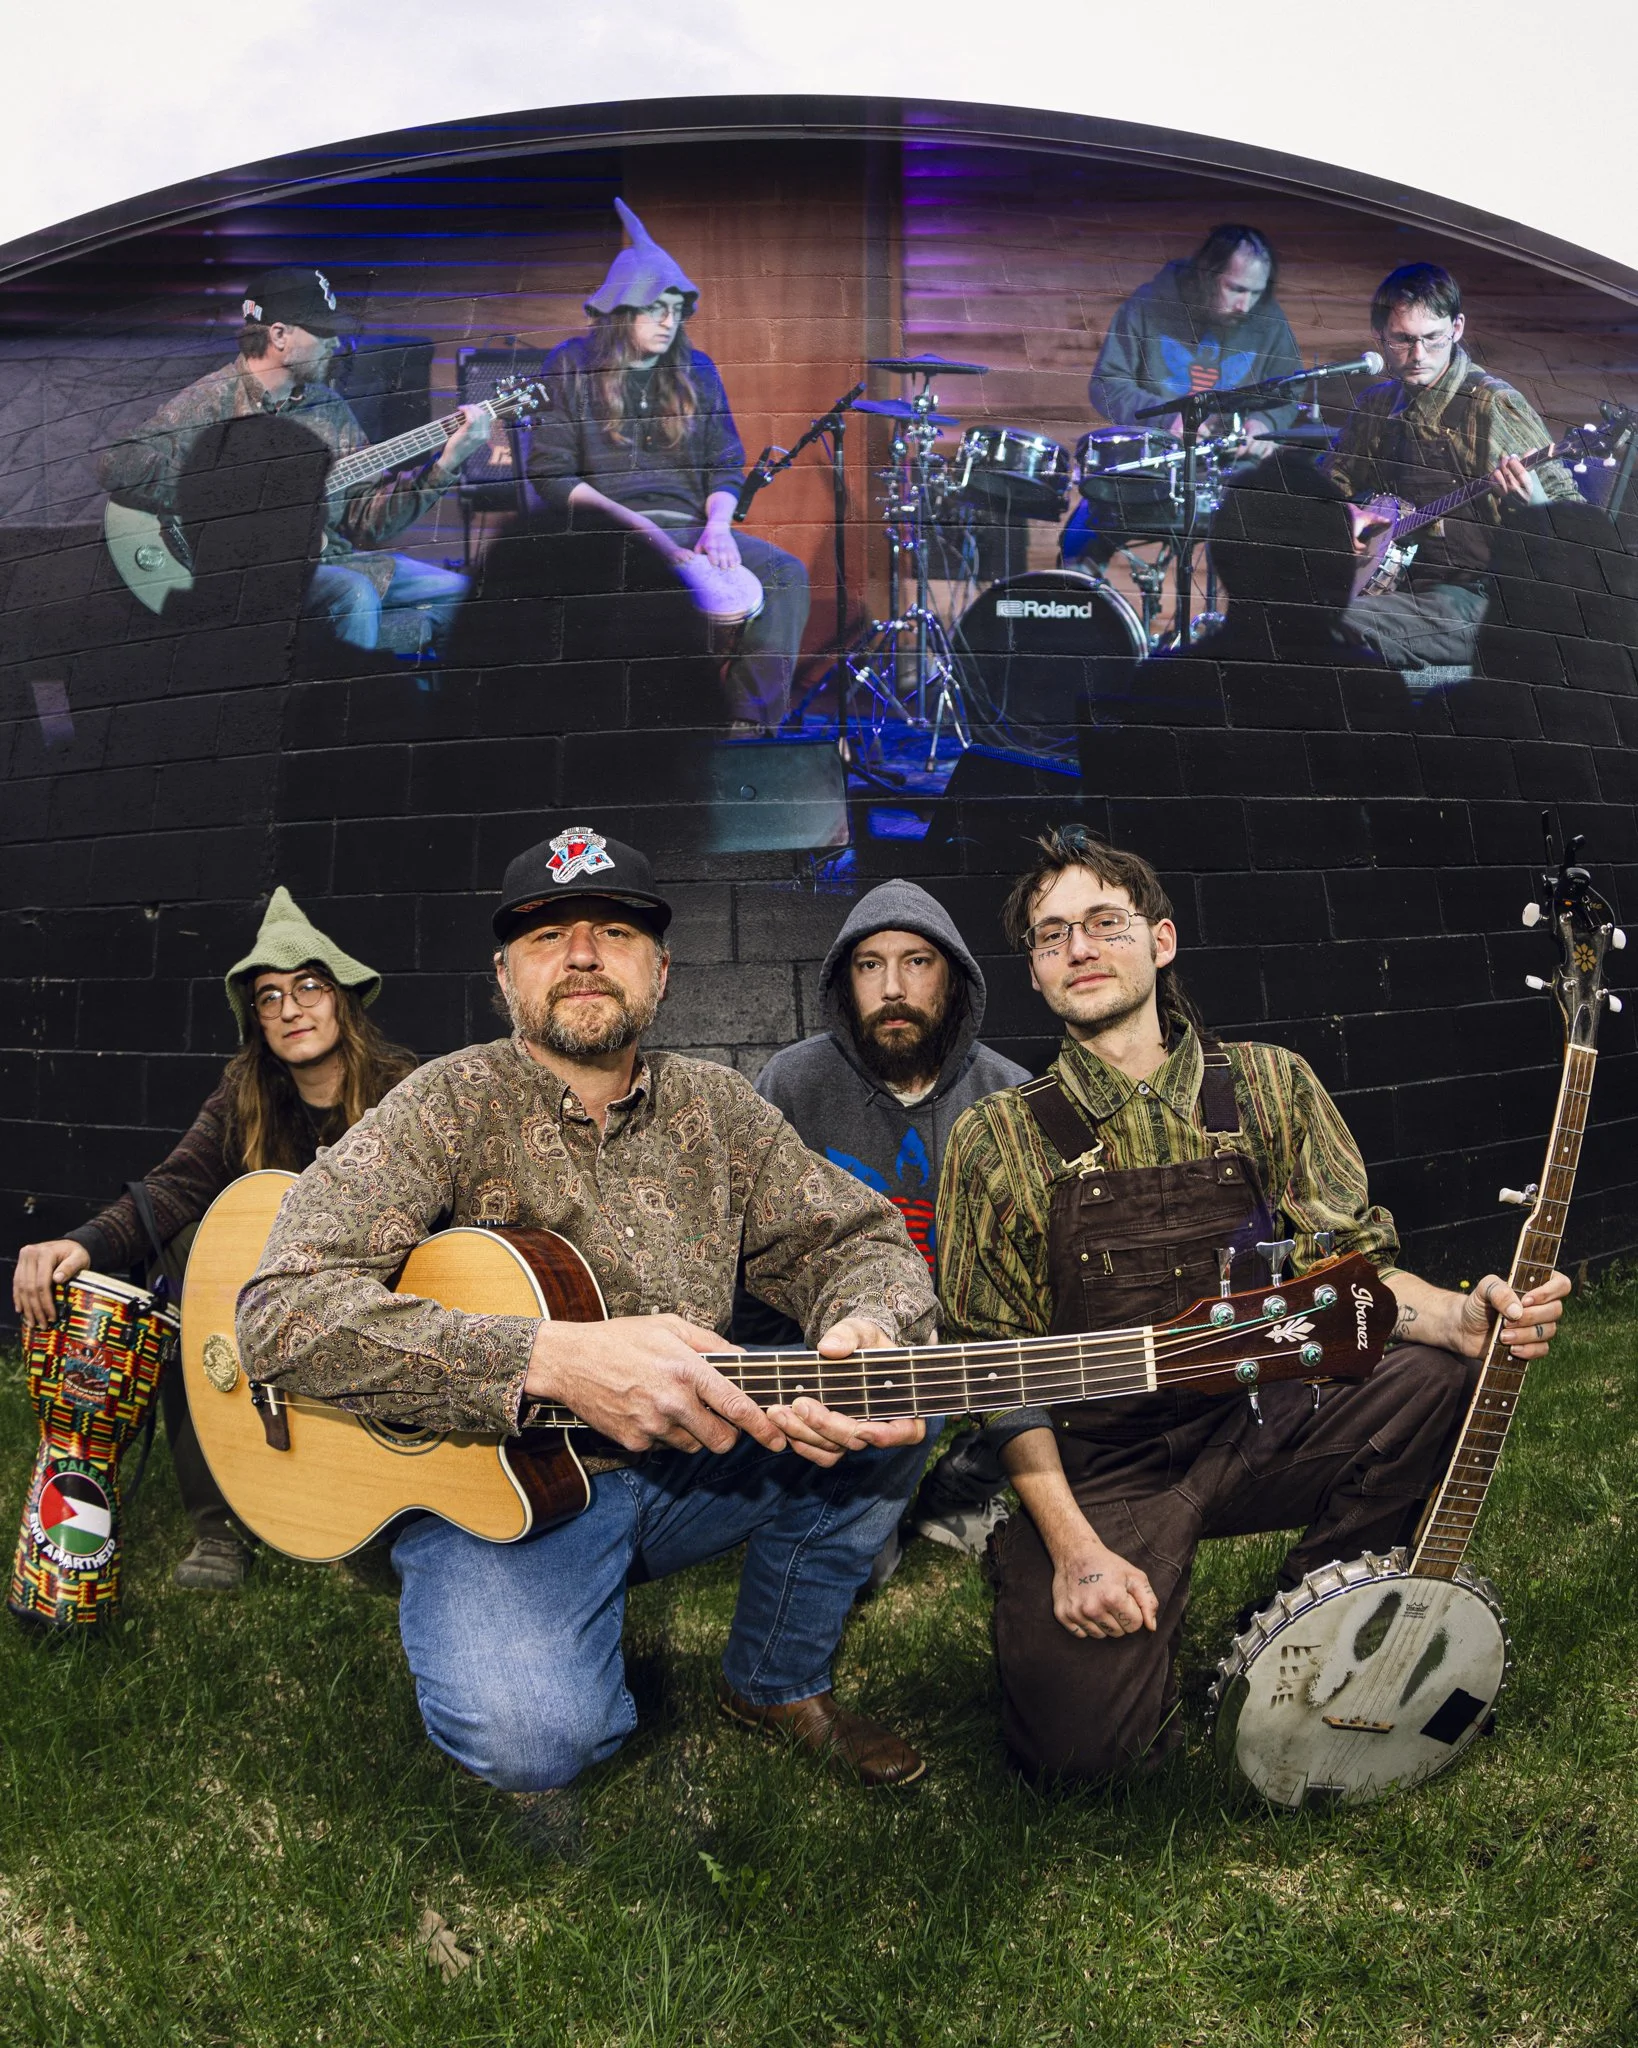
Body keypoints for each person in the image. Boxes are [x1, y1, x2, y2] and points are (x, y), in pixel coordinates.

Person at [235, 824, 939, 1842]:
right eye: (545, 935)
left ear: (661, 969)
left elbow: (861, 1239)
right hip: (498, 1492)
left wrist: (866, 1324)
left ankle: (775, 1679)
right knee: (538, 1738)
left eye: (613, 932)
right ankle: (541, 1624)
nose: (580, 955)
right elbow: (277, 1308)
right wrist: (550, 1360)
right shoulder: (441, 1105)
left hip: (695, 1457)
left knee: (898, 1403)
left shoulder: (720, 1111)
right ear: (504, 976)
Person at [934, 826, 1570, 1783]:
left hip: (1264, 1422)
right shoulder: (995, 1139)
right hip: (1105, 1468)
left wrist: (1457, 1316)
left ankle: (1305, 1623)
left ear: (1162, 941)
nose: (1079, 947)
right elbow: (999, 1374)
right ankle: (1032, 1557)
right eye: (1052, 934)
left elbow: (1349, 1269)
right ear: (1034, 970)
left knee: (1435, 1378)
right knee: (1080, 1762)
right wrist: (1072, 1549)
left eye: (1105, 922)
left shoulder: (1272, 1085)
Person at [12, 888, 415, 1590]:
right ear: (255, 1020)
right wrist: (82, 1244)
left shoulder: (404, 1091)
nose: (289, 1009)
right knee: (188, 1247)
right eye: (268, 997)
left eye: (308, 987)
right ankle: (219, 1526)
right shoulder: (245, 1094)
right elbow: (175, 1187)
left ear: (342, 999)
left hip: (374, 1300)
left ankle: (380, 1515)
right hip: (271, 1304)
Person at [744, 880, 1030, 1568]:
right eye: (870, 965)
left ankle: (959, 1485)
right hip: (838, 1351)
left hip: (961, 1348)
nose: (893, 987)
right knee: (856, 1564)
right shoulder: (792, 1083)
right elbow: (749, 1262)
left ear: (952, 979)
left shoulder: (1010, 1095)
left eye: (916, 962)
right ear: (846, 983)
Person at [99, 266, 494, 654]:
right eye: (322, 331)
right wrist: (235, 493)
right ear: (279, 335)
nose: (336, 342)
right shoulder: (213, 399)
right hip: (246, 579)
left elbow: (368, 519)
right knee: (353, 592)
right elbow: (120, 463)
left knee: (465, 596)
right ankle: (342, 684)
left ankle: (381, 677)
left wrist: (445, 464)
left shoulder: (328, 408)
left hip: (328, 561)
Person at [528, 201, 811, 729]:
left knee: (785, 574)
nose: (668, 320)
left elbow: (725, 463)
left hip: (690, 529)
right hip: (608, 533)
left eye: (677, 309)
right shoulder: (569, 364)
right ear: (623, 308)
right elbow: (552, 475)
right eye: (656, 307)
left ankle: (747, 727)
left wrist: (719, 526)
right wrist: (645, 534)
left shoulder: (695, 369)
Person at [1323, 262, 1581, 672]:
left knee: (1339, 621)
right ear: (1380, 335)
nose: (1418, 355)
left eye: (1432, 338)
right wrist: (1347, 513)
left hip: (1478, 598)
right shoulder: (1377, 406)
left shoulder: (1492, 405)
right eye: (1402, 340)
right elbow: (1324, 488)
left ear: (1457, 328)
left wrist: (1534, 501)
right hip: (1402, 591)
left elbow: (1576, 523)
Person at [1068, 225, 1303, 574]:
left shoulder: (1270, 321)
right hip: (1154, 464)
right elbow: (1106, 385)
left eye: (1256, 292)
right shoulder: (1149, 304)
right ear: (1207, 275)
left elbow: (1290, 392)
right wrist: (1166, 420)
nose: (1245, 305)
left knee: (1281, 545)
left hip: (1233, 469)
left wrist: (1265, 424)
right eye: (1236, 289)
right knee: (1078, 543)